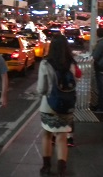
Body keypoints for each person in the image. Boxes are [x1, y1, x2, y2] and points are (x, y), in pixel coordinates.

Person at [37, 34, 81, 177]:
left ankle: (46, 166)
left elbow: (41, 89)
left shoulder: (45, 64)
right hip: (66, 104)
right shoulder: (72, 64)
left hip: (48, 104)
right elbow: (76, 82)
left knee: (46, 135)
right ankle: (62, 169)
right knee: (62, 136)